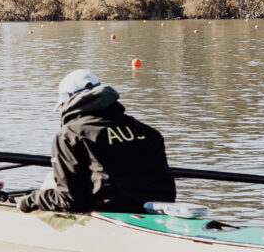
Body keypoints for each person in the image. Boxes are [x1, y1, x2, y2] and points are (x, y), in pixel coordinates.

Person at [15, 70, 176, 214]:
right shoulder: (147, 131)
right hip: (160, 209)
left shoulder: (70, 134)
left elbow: (69, 200)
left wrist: (29, 201)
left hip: (111, 213)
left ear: (67, 101)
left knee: (52, 178)